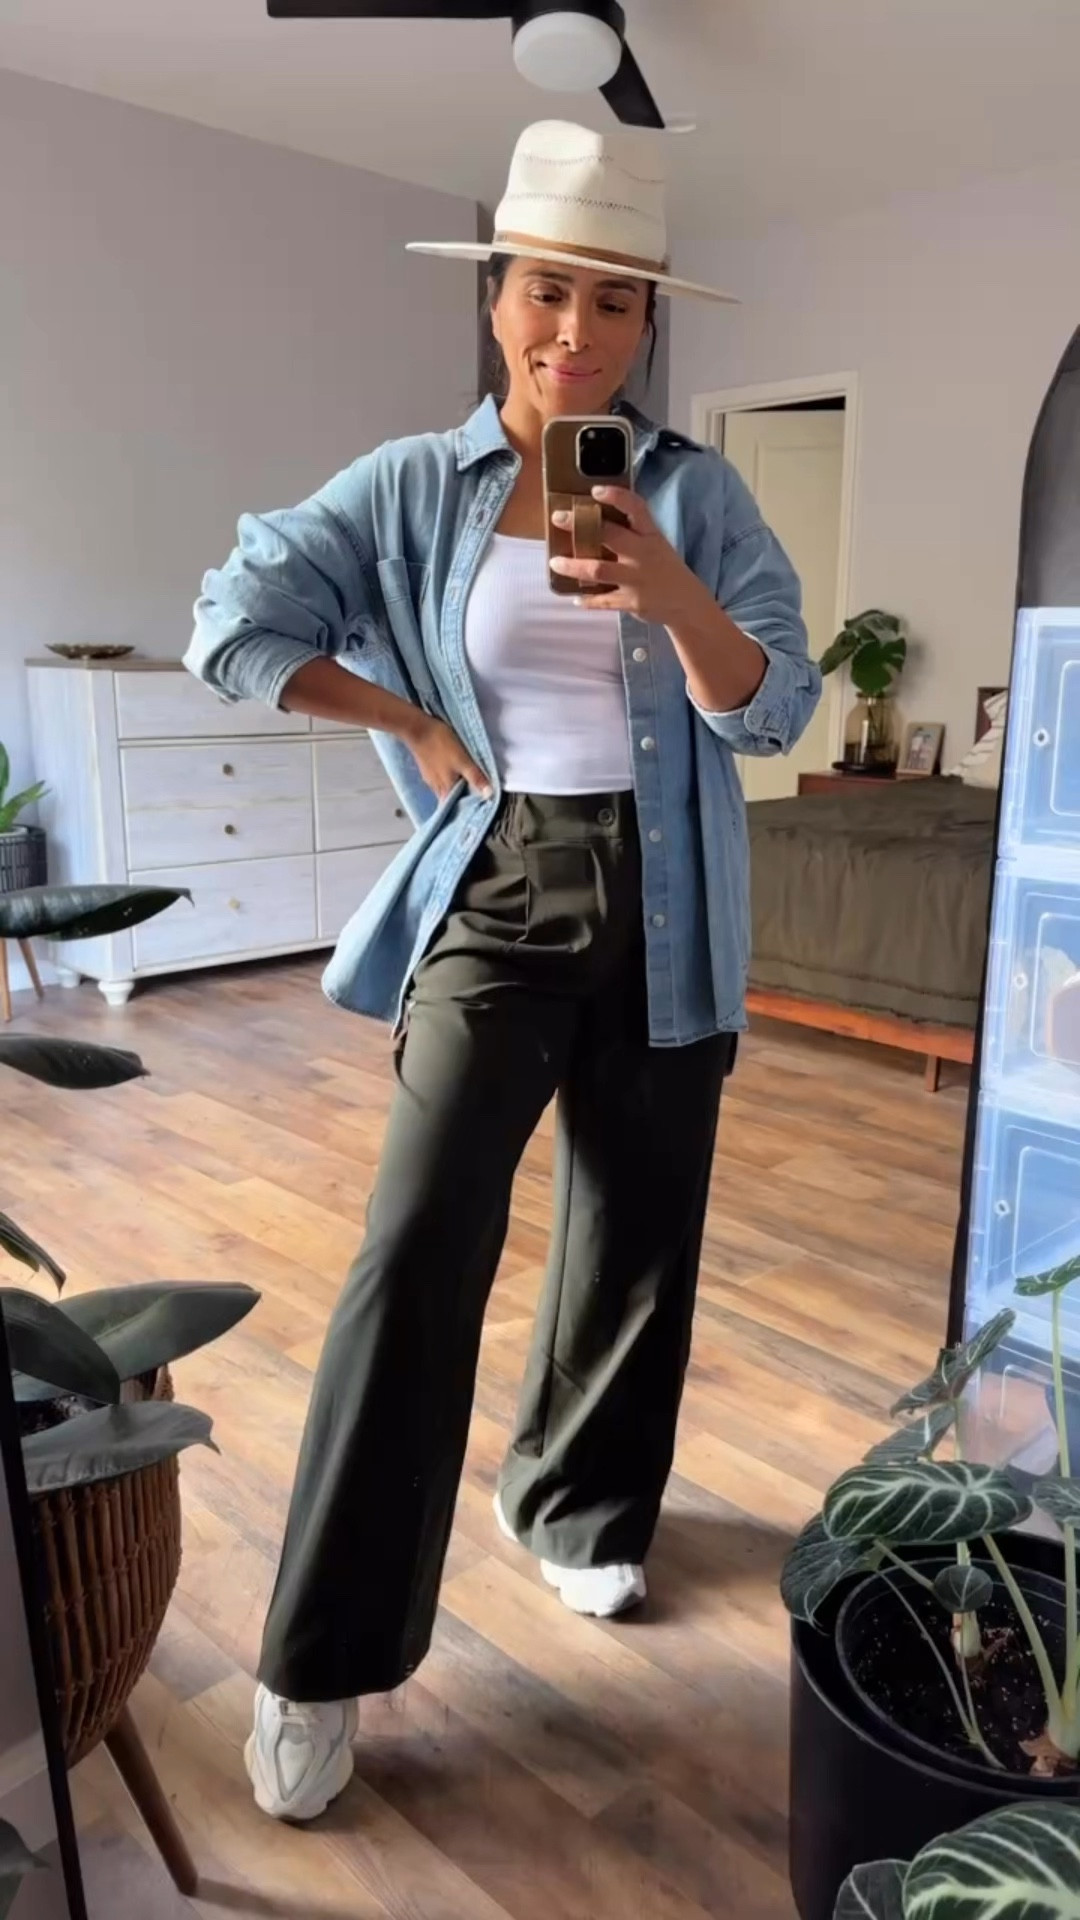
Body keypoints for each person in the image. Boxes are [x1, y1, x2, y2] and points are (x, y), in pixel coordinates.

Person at [185, 117, 820, 1824]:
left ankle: (579, 1507)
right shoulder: (412, 485)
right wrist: (402, 718)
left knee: (637, 1236)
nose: (577, 332)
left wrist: (668, 586)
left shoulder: (697, 493)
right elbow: (232, 621)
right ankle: (320, 1658)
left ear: (646, 320)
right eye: (549, 290)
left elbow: (775, 707)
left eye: (616, 302)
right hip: (498, 885)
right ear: (496, 297)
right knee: (415, 1250)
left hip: (677, 906)